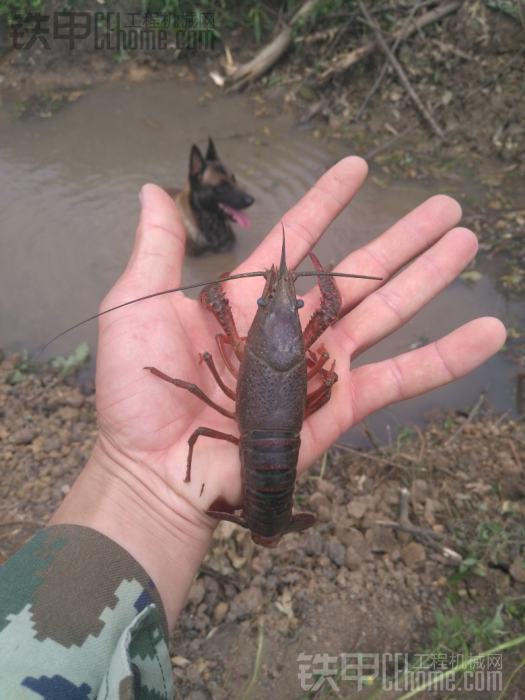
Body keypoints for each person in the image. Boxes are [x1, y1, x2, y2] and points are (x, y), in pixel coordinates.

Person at [0, 156, 506, 698]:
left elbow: (219, 335)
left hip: (268, 458)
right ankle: (271, 520)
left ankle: (269, 520)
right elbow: (326, 340)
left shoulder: (236, 347)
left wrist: (141, 485)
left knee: (219, 386)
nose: (272, 298)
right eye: (271, 300)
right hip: (275, 460)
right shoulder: (306, 348)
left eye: (269, 300)